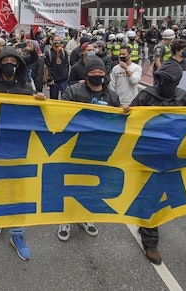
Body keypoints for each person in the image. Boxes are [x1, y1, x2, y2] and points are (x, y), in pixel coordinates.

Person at [125, 58, 186, 265]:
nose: (163, 84)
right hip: (149, 157)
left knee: (166, 198)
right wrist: (126, 112)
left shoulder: (184, 98)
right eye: (160, 79)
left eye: (168, 80)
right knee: (152, 197)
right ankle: (151, 242)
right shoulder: (146, 96)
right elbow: (129, 121)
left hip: (173, 157)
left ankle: (146, 225)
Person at [0, 47, 46, 261]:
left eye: (13, 61)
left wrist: (40, 102)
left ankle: (17, 235)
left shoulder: (26, 89)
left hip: (20, 148)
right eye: (5, 60)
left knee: (18, 192)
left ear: (19, 65)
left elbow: (37, 118)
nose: (10, 64)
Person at [56, 56, 119, 242]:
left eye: (100, 72)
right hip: (73, 147)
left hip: (98, 149)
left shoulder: (112, 96)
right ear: (86, 74)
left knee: (91, 185)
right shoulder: (73, 91)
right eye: (93, 72)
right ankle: (65, 220)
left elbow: (118, 123)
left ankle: (85, 217)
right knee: (70, 184)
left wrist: (123, 113)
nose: (97, 75)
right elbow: (61, 112)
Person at [45, 33, 70, 99]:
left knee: (65, 98)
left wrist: (65, 76)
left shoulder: (63, 52)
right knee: (53, 98)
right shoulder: (48, 53)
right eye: (55, 40)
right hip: (54, 81)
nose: (57, 42)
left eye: (58, 40)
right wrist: (50, 79)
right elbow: (48, 67)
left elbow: (66, 65)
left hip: (63, 80)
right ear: (51, 42)